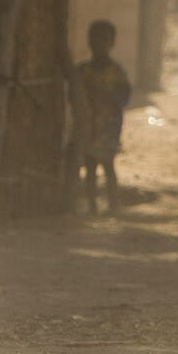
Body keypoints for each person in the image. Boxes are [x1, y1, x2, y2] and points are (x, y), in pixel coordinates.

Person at [75, 21, 131, 215]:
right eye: (95, 39)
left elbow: (124, 97)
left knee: (108, 165)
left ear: (111, 43)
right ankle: (92, 207)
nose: (99, 44)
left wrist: (106, 96)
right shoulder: (83, 71)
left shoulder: (116, 72)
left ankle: (113, 206)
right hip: (89, 125)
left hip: (108, 126)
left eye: (104, 40)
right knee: (90, 167)